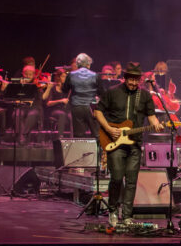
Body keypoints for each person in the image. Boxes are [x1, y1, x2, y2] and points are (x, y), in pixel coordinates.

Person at [95, 62, 164, 226]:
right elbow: (98, 111)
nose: (133, 83)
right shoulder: (112, 93)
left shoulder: (145, 96)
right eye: (131, 79)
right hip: (114, 141)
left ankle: (127, 216)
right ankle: (112, 210)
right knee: (117, 177)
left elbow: (151, 116)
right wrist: (109, 129)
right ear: (125, 78)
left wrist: (157, 124)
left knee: (131, 181)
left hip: (135, 144)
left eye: (136, 80)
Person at [62, 53, 102, 137]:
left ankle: (81, 150)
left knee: (79, 135)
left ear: (77, 64)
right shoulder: (95, 75)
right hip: (91, 107)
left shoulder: (71, 75)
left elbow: (64, 90)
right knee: (96, 134)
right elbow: (102, 92)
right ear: (88, 64)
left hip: (77, 107)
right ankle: (97, 150)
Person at [43, 69, 71, 138]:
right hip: (55, 110)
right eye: (63, 76)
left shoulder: (67, 88)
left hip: (65, 110)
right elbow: (48, 103)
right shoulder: (53, 88)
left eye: (66, 77)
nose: (65, 78)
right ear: (58, 77)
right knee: (62, 114)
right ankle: (60, 137)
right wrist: (61, 100)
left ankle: (73, 138)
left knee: (72, 115)